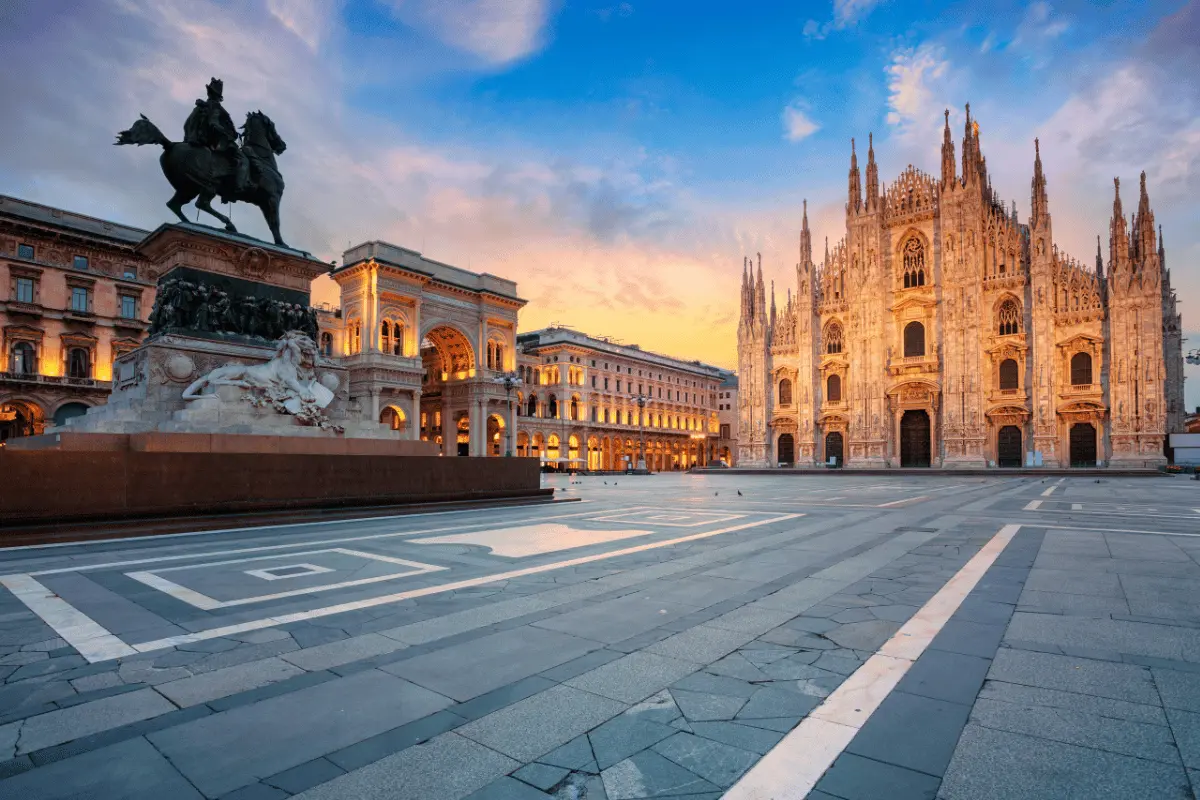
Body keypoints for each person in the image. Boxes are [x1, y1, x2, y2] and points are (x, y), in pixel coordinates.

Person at [183, 78, 248, 200]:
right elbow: (214, 123)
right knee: (241, 159)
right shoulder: (216, 107)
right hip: (218, 141)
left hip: (201, 140)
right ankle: (236, 187)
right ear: (218, 95)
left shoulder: (201, 106)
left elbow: (187, 124)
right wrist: (229, 134)